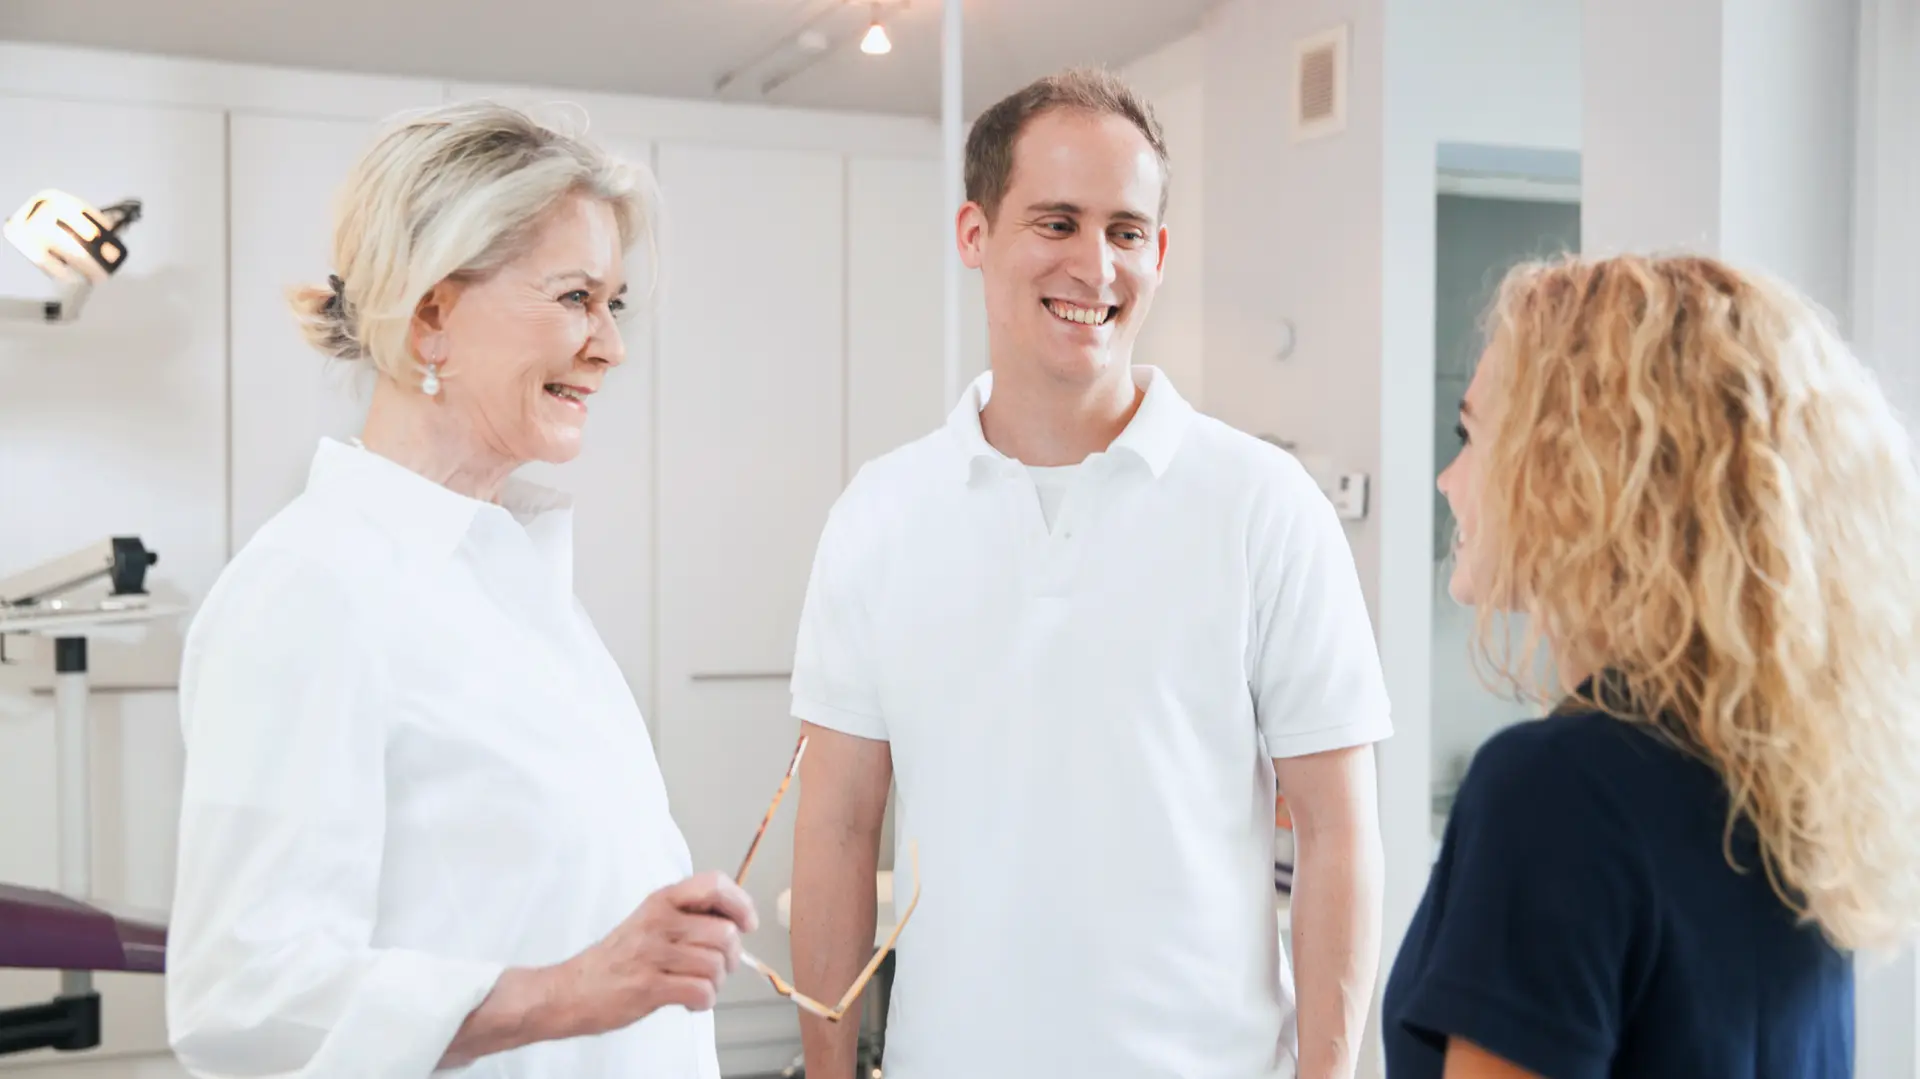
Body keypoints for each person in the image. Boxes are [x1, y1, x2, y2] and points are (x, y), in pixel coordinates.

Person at [787, 68, 1392, 1079]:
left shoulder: (1265, 504)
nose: (1094, 264)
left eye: (1124, 230)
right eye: (1057, 222)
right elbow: (841, 825)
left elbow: (1338, 831)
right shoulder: (880, 515)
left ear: (1158, 252)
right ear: (974, 235)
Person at [165, 102, 757, 1078]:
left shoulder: (522, 589)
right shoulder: (310, 590)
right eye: (575, 297)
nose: (608, 344)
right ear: (432, 310)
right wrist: (575, 986)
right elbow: (243, 996)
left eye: (614, 304)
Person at [1384, 254, 1920, 1078]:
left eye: (1471, 436)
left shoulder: (1554, 790)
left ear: (1583, 470)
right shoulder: (1795, 782)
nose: (1448, 480)